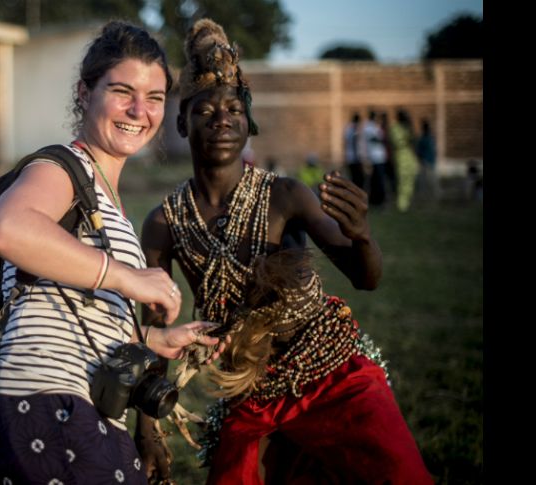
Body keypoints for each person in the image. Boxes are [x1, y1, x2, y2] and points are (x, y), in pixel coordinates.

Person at [137, 19, 432, 484]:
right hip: (249, 391)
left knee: (400, 474)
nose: (221, 120)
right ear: (181, 121)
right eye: (204, 110)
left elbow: (365, 277)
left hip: (332, 372)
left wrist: (362, 236)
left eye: (234, 107)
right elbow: (153, 328)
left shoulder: (286, 195)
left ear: (248, 120)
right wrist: (148, 425)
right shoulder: (163, 223)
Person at [0, 21, 227, 485]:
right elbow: (8, 227)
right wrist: (129, 278)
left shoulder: (102, 191)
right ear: (84, 92)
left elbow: (61, 303)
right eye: (122, 91)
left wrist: (154, 342)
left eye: (154, 97)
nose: (140, 110)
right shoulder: (60, 167)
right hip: (47, 398)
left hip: (75, 401)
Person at [390, 108, 420, 212]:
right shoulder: (395, 128)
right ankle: (401, 205)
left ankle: (406, 202)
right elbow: (398, 141)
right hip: (401, 156)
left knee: (410, 179)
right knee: (402, 180)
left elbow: (414, 140)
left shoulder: (407, 127)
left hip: (410, 157)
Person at [362, 110, 387, 207]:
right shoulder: (370, 127)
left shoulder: (373, 126)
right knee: (377, 181)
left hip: (377, 157)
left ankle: (376, 200)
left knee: (376, 180)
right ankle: (377, 201)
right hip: (376, 158)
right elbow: (377, 138)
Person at [416, 118, 439, 202]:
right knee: (430, 180)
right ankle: (430, 195)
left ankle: (428, 195)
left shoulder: (424, 138)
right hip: (429, 161)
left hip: (426, 161)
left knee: (425, 180)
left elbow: (419, 151)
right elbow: (434, 150)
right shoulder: (430, 137)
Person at [343, 112, 365, 189]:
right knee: (356, 178)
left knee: (357, 178)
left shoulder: (349, 129)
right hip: (354, 158)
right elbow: (350, 143)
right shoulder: (352, 129)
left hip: (354, 157)